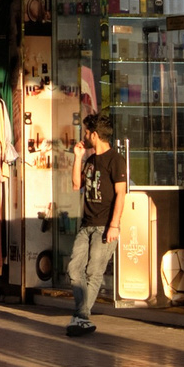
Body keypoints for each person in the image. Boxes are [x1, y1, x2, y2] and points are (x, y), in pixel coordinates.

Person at [68, 112, 126, 337]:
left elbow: (121, 194)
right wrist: (78, 158)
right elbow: (76, 185)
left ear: (94, 135)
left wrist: (114, 225)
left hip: (105, 226)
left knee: (94, 271)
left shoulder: (115, 160)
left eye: (86, 132)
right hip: (87, 225)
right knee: (74, 269)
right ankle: (81, 317)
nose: (84, 136)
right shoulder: (90, 160)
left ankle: (81, 317)